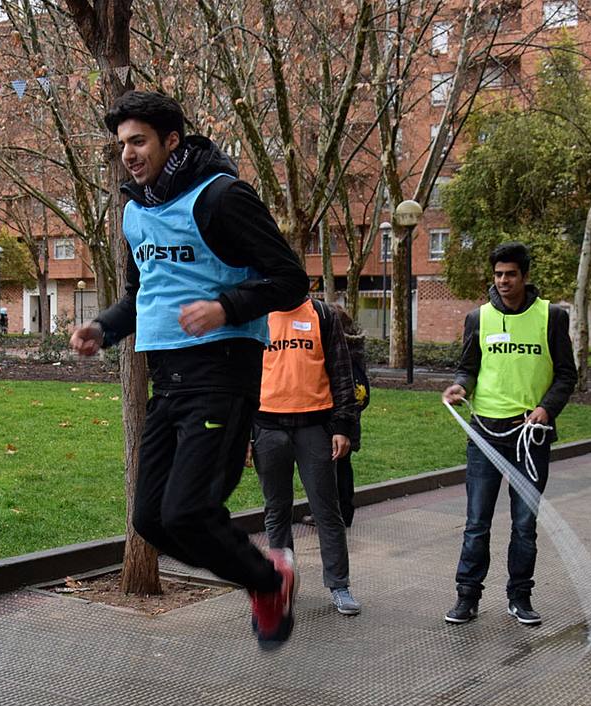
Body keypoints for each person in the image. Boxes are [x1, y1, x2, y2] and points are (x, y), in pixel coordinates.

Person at [70, 90, 308, 645]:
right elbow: (140, 294)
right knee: (150, 520)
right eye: (121, 144)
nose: (128, 154)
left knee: (185, 512)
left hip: (222, 372)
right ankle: (264, 578)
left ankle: (269, 582)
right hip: (168, 381)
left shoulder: (222, 198)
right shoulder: (135, 210)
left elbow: (290, 279)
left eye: (139, 141)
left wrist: (226, 306)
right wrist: (103, 328)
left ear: (171, 140)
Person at [442, 242, 577, 627]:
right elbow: (468, 367)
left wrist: (546, 409)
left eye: (511, 274)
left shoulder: (550, 317)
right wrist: (459, 386)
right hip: (485, 433)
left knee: (523, 525)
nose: (503, 281)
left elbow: (567, 374)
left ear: (525, 276)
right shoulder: (478, 318)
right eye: (498, 274)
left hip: (530, 437)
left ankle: (519, 597)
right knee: (476, 522)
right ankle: (466, 597)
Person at [252, 296, 359, 616]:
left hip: (315, 427)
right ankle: (280, 584)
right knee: (276, 510)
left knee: (327, 509)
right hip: (267, 426)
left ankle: (339, 585)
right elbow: (243, 378)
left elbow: (342, 374)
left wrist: (343, 426)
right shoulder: (256, 315)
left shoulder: (322, 315)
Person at [335, 306, 369, 528]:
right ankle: (345, 510)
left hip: (340, 421)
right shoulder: (356, 349)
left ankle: (340, 512)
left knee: (336, 470)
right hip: (352, 420)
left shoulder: (340, 352)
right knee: (343, 467)